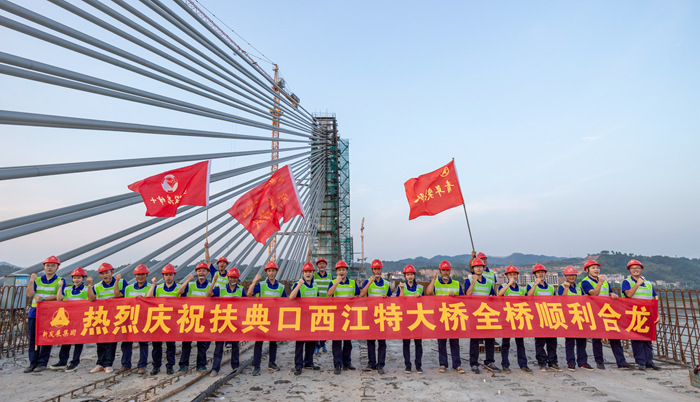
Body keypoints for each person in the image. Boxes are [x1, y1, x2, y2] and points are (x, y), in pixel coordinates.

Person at [579, 259, 632, 370]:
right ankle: (599, 362)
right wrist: (599, 283)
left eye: (597, 268)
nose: (596, 270)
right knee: (597, 338)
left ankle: (621, 362)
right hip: (594, 312)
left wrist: (613, 294)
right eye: (593, 268)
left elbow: (610, 291)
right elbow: (594, 293)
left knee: (614, 337)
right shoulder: (585, 282)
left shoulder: (604, 281)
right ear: (587, 270)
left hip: (607, 312)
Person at [247, 261, 287, 375]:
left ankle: (272, 363)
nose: (271, 273)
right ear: (266, 272)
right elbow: (249, 294)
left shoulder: (281, 287)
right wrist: (255, 281)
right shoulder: (261, 285)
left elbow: (285, 302)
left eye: (273, 271)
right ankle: (256, 365)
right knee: (259, 342)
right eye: (269, 271)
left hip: (274, 318)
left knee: (273, 342)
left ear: (276, 272)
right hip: (262, 318)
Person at [426, 260, 466, 374]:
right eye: (443, 270)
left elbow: (463, 300)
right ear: (440, 271)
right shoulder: (436, 283)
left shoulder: (456, 284)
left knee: (454, 341)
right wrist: (433, 280)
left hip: (453, 315)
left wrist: (455, 296)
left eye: (447, 270)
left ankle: (457, 364)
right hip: (440, 316)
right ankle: (443, 364)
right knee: (441, 341)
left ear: (450, 271)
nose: (445, 272)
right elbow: (428, 293)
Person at [25, 256, 63, 373]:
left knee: (47, 338)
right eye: (47, 265)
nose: (50, 268)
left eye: (52, 266)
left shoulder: (60, 280)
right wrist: (31, 280)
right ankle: (33, 363)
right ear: (44, 267)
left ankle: (42, 363)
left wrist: (44, 299)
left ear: (57, 267)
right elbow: (29, 294)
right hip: (34, 312)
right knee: (33, 339)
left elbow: (59, 297)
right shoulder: (37, 280)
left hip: (49, 314)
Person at [621, 259, 660, 371]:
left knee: (648, 339)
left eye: (638, 268)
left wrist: (657, 314)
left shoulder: (648, 283)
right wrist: (637, 284)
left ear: (641, 269)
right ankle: (641, 362)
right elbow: (629, 294)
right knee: (637, 339)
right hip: (634, 314)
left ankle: (649, 362)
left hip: (647, 315)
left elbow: (653, 299)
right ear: (629, 270)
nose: (635, 270)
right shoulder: (627, 282)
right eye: (633, 268)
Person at [207, 267, 246, 377]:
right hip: (222, 321)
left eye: (235, 278)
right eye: (231, 277)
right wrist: (213, 282)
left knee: (235, 345)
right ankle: (215, 368)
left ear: (237, 279)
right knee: (219, 346)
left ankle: (235, 366)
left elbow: (246, 303)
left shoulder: (241, 290)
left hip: (235, 321)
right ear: (228, 278)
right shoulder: (220, 289)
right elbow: (208, 294)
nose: (233, 279)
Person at [113, 265, 152, 374]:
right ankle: (125, 365)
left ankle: (142, 365)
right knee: (126, 342)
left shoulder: (151, 287)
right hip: (129, 318)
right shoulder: (128, 288)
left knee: (143, 343)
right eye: (138, 275)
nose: (140, 277)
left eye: (142, 274)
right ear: (135, 276)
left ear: (146, 275)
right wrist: (117, 281)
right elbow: (117, 294)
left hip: (143, 319)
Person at [465, 257, 500, 374]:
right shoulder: (469, 280)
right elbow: (468, 294)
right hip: (474, 313)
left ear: (483, 268)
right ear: (473, 269)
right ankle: (474, 363)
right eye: (476, 267)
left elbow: (492, 295)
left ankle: (489, 361)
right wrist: (474, 282)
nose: (478, 269)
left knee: (490, 338)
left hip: (487, 313)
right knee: (474, 340)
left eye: (480, 266)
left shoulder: (489, 282)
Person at [50, 268, 87, 372]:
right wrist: (60, 287)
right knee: (66, 339)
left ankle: (75, 362)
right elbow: (59, 299)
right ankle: (62, 361)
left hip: (80, 320)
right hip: (69, 319)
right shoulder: (67, 289)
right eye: (74, 278)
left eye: (78, 278)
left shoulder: (86, 289)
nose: (76, 280)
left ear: (83, 278)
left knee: (78, 341)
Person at [327, 260, 361, 375]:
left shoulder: (352, 283)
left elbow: (359, 296)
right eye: (339, 270)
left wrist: (354, 296)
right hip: (336, 316)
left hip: (348, 316)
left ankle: (347, 362)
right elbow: (329, 294)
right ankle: (337, 364)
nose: (341, 272)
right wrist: (336, 282)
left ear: (347, 271)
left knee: (348, 341)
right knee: (337, 341)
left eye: (343, 270)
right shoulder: (333, 282)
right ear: (336, 272)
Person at [177, 262, 212, 373]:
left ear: (207, 272)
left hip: (204, 318)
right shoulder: (190, 285)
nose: (201, 272)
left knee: (202, 343)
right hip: (190, 317)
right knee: (186, 343)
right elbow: (179, 292)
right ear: (196, 272)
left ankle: (201, 365)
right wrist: (187, 280)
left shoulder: (210, 286)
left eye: (203, 270)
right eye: (199, 271)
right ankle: (183, 365)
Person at [527, 263, 562, 372]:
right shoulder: (531, 285)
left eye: (542, 272)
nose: (540, 274)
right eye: (538, 272)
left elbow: (556, 301)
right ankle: (542, 362)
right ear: (535, 274)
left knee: (552, 342)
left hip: (550, 316)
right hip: (538, 317)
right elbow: (528, 296)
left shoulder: (551, 287)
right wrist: (535, 285)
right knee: (540, 342)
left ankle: (553, 362)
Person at [88, 262, 122, 374]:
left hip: (115, 316)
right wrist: (89, 285)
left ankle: (108, 363)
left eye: (107, 272)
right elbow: (91, 298)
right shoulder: (97, 286)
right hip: (101, 316)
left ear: (112, 272)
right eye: (102, 273)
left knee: (111, 341)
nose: (105, 275)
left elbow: (123, 295)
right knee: (100, 340)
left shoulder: (121, 282)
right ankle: (100, 363)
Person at [359, 259, 392, 374]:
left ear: (381, 270)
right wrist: (369, 283)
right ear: (372, 270)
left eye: (379, 269)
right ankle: (371, 363)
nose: (377, 271)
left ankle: (381, 364)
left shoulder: (386, 284)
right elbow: (362, 294)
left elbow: (390, 299)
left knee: (382, 341)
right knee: (371, 341)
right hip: (370, 314)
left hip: (382, 315)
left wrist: (386, 298)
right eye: (375, 269)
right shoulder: (367, 282)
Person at [146, 264, 179, 375]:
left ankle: (170, 366)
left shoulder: (179, 288)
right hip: (159, 320)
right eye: (166, 275)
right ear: (163, 276)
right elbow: (148, 297)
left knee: (171, 346)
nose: (168, 277)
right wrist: (153, 285)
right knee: (156, 346)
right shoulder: (158, 288)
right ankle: (156, 366)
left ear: (174, 275)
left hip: (172, 321)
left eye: (170, 275)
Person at [497, 265, 531, 373]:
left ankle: (523, 364)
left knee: (520, 343)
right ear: (507, 276)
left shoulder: (521, 289)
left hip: (518, 318)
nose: (513, 276)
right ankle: (505, 364)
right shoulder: (503, 286)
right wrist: (509, 284)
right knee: (505, 343)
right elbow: (500, 294)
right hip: (507, 318)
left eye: (514, 274)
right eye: (510, 275)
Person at [558, 266, 593, 372]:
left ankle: (582, 362)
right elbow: (561, 301)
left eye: (573, 275)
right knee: (570, 341)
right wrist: (566, 288)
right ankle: (571, 362)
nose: (571, 277)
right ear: (565, 276)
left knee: (581, 341)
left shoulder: (579, 288)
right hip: (568, 317)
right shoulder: (561, 287)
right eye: (569, 275)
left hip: (579, 316)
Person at [289, 262, 321, 375]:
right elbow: (291, 297)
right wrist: (299, 285)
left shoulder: (315, 285)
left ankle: (308, 362)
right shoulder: (298, 285)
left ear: (313, 273)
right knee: (300, 343)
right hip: (301, 318)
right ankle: (298, 365)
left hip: (312, 318)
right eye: (306, 272)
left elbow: (317, 299)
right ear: (303, 273)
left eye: (310, 272)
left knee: (311, 342)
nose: (308, 274)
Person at [396, 264, 424, 374]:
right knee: (406, 343)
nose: (410, 276)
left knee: (418, 343)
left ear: (414, 275)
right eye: (408, 275)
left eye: (411, 274)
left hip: (418, 318)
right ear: (405, 276)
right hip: (405, 318)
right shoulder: (401, 287)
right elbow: (399, 301)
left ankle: (418, 365)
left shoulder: (420, 288)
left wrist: (420, 297)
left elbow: (426, 302)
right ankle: (408, 365)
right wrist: (402, 289)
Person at [313, 257, 333, 355]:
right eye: (320, 264)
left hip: (326, 304)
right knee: (316, 325)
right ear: (317, 266)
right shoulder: (314, 276)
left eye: (323, 263)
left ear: (326, 265)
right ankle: (316, 345)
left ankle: (323, 344)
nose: (321, 265)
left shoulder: (329, 276)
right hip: (316, 304)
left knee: (324, 325)